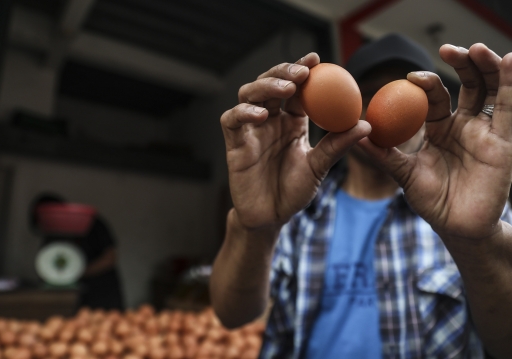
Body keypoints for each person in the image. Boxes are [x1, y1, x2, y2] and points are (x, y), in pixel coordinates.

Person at [210, 33, 512, 359]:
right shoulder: (299, 208)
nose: (383, 111)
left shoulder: (476, 210)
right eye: (369, 95)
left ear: (428, 116)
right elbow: (233, 315)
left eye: (408, 97)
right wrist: (256, 226)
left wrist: (475, 244)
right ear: (345, 105)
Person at [30, 194, 125, 311]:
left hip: (101, 293)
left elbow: (110, 258)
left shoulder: (93, 223)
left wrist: (76, 273)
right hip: (69, 299)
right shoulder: (52, 233)